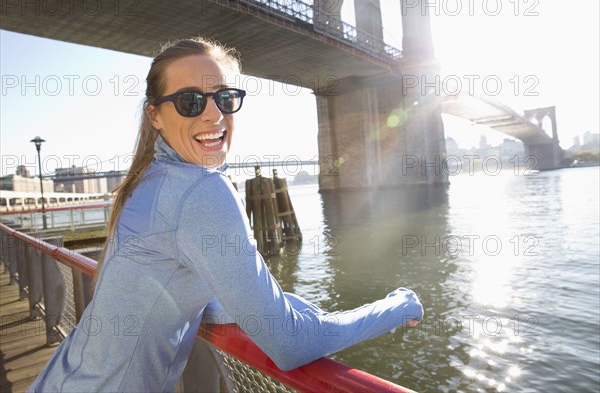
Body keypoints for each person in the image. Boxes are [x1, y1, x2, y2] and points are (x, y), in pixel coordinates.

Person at [28, 37, 423, 392]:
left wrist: (271, 305)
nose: (213, 115)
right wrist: (395, 305)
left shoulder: (150, 180)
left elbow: (165, 286)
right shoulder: (201, 191)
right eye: (190, 102)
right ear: (155, 116)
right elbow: (288, 344)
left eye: (224, 97)